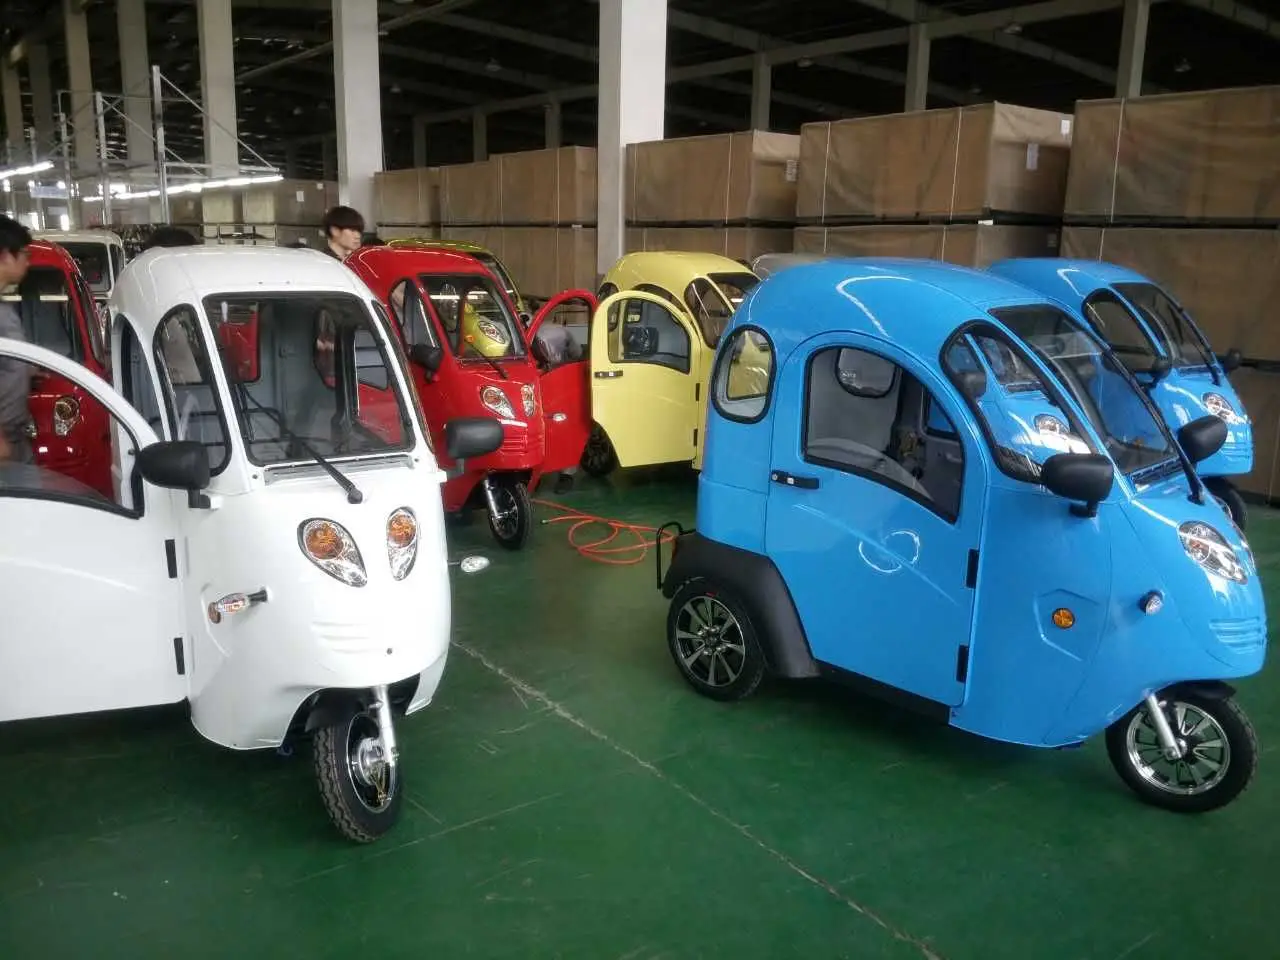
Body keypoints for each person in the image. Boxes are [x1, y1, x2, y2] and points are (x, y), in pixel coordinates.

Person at [0, 215, 33, 463]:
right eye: (24, 254)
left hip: (15, 437)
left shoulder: (3, 308)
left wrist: (24, 369)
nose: (27, 261)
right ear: (5, 255)